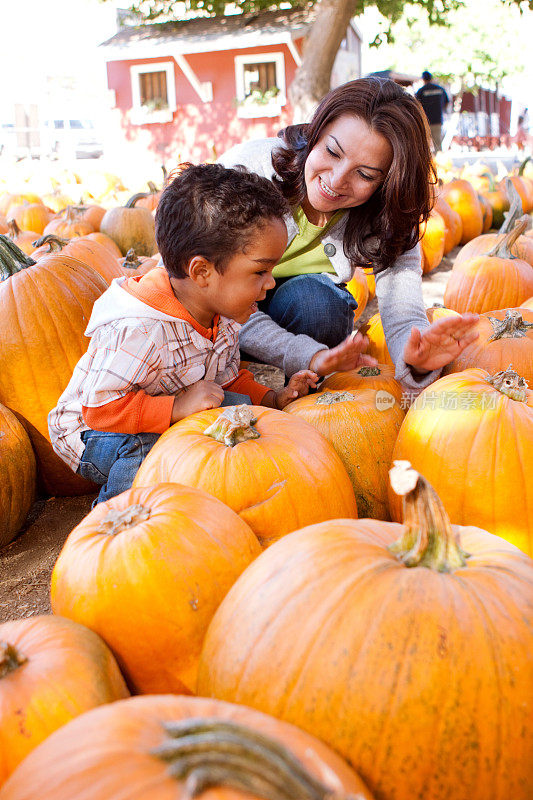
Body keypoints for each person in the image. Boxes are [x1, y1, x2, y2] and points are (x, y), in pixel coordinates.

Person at [48, 163, 319, 504]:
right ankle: (119, 519)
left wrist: (273, 399)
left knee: (239, 411)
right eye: (261, 271)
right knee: (145, 448)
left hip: (163, 406)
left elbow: (226, 381)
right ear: (202, 271)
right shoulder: (140, 329)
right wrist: (177, 408)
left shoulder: (222, 314)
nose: (270, 283)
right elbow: (100, 409)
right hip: (94, 431)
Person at [218, 77, 477, 393]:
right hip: (221, 309)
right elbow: (209, 297)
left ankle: (305, 399)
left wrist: (418, 361)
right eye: (331, 151)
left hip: (294, 304)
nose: (337, 180)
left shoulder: (386, 213)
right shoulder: (245, 173)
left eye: (365, 174)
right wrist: (306, 354)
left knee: (319, 305)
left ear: (387, 184)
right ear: (316, 133)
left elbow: (402, 307)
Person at [415, 70, 450, 152]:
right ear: (431, 78)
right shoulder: (440, 89)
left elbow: (416, 106)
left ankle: (428, 163)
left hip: (425, 122)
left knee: (425, 145)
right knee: (438, 144)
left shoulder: (421, 91)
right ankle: (439, 162)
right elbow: (447, 103)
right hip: (438, 120)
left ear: (423, 79)